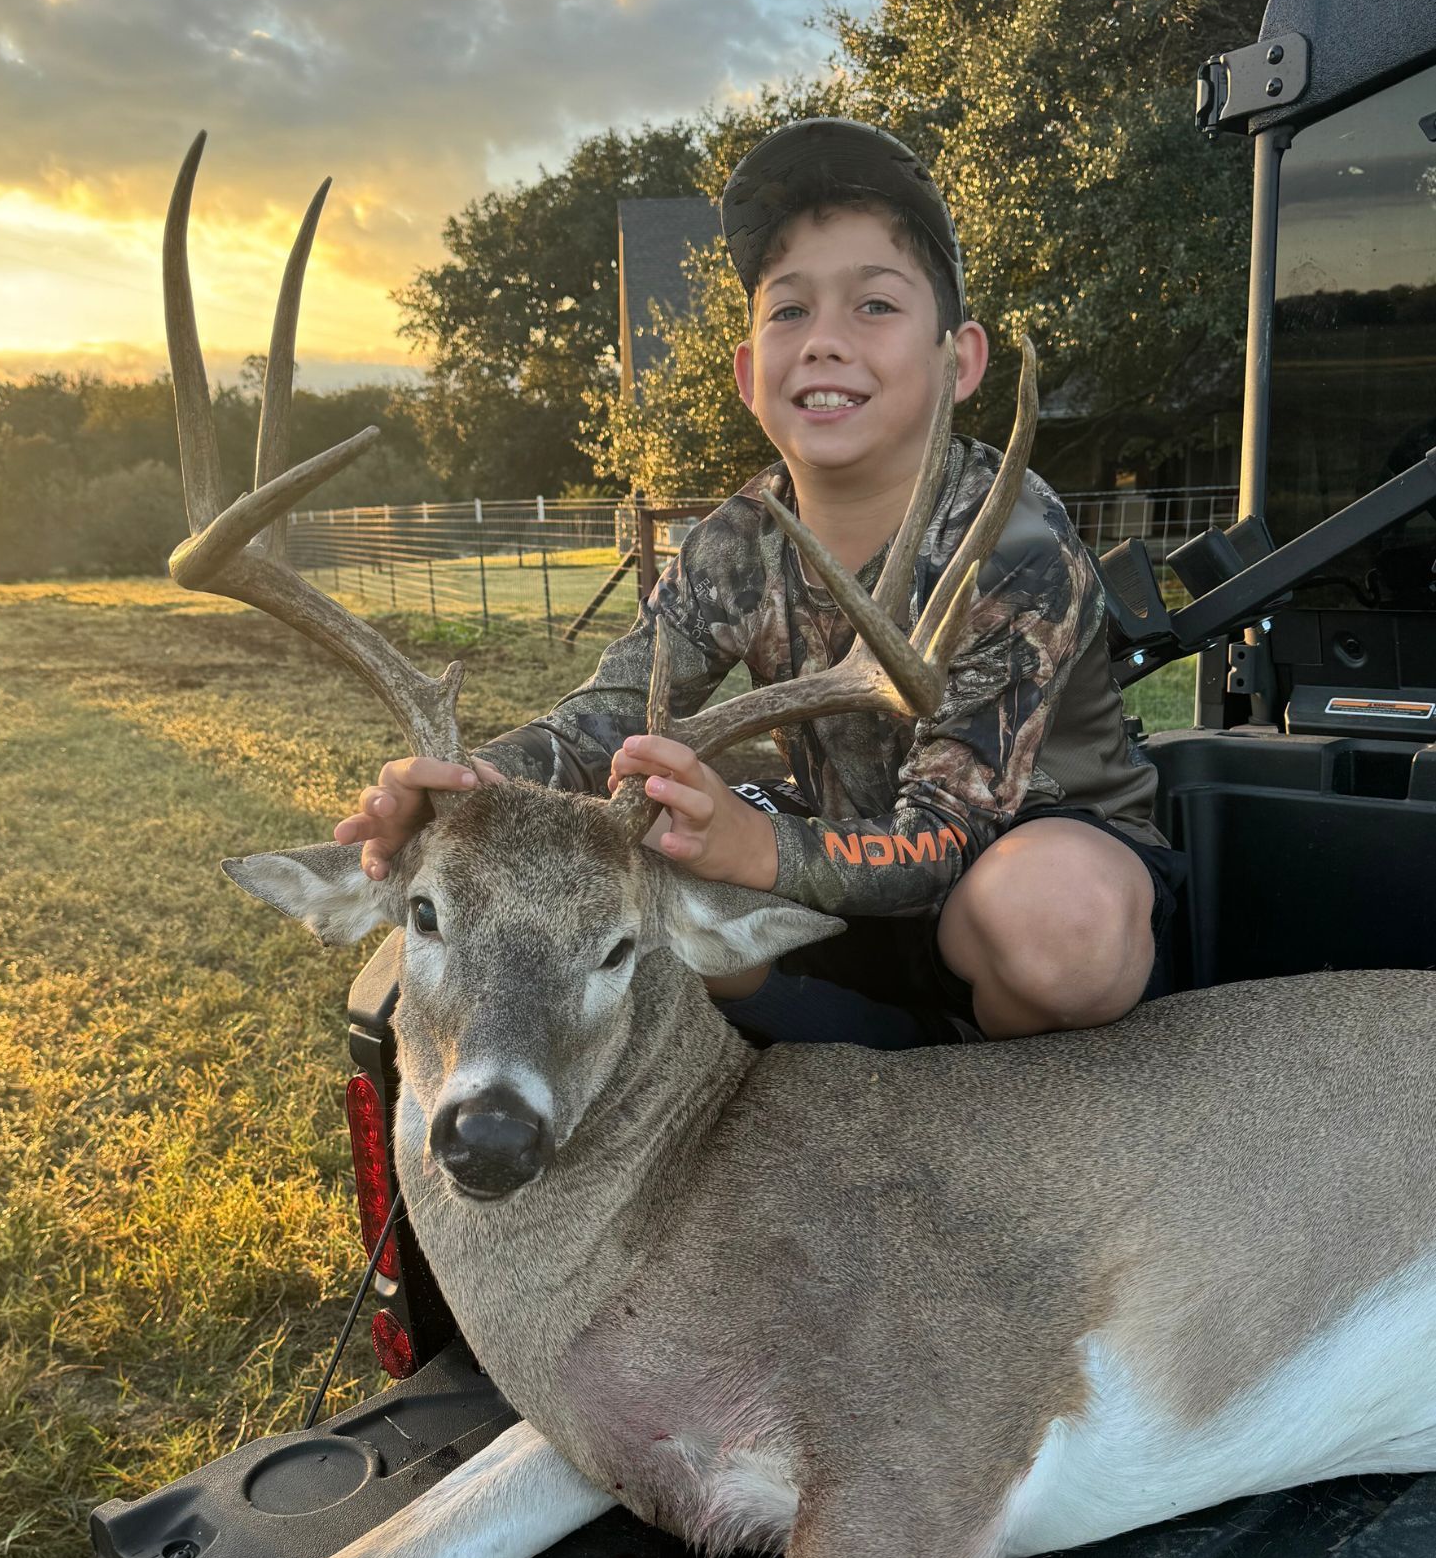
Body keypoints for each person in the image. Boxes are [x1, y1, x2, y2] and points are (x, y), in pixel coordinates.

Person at [333, 118, 1185, 1048]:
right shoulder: (736, 541)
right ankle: (827, 1067)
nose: (823, 341)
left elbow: (950, 832)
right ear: (748, 374)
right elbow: (602, 720)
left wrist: (755, 846)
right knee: (645, 877)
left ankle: (974, 1096)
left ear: (961, 361)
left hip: (1020, 873)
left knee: (1053, 920)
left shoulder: (1011, 539)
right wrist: (469, 787)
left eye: (874, 306)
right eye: (788, 311)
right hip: (838, 866)